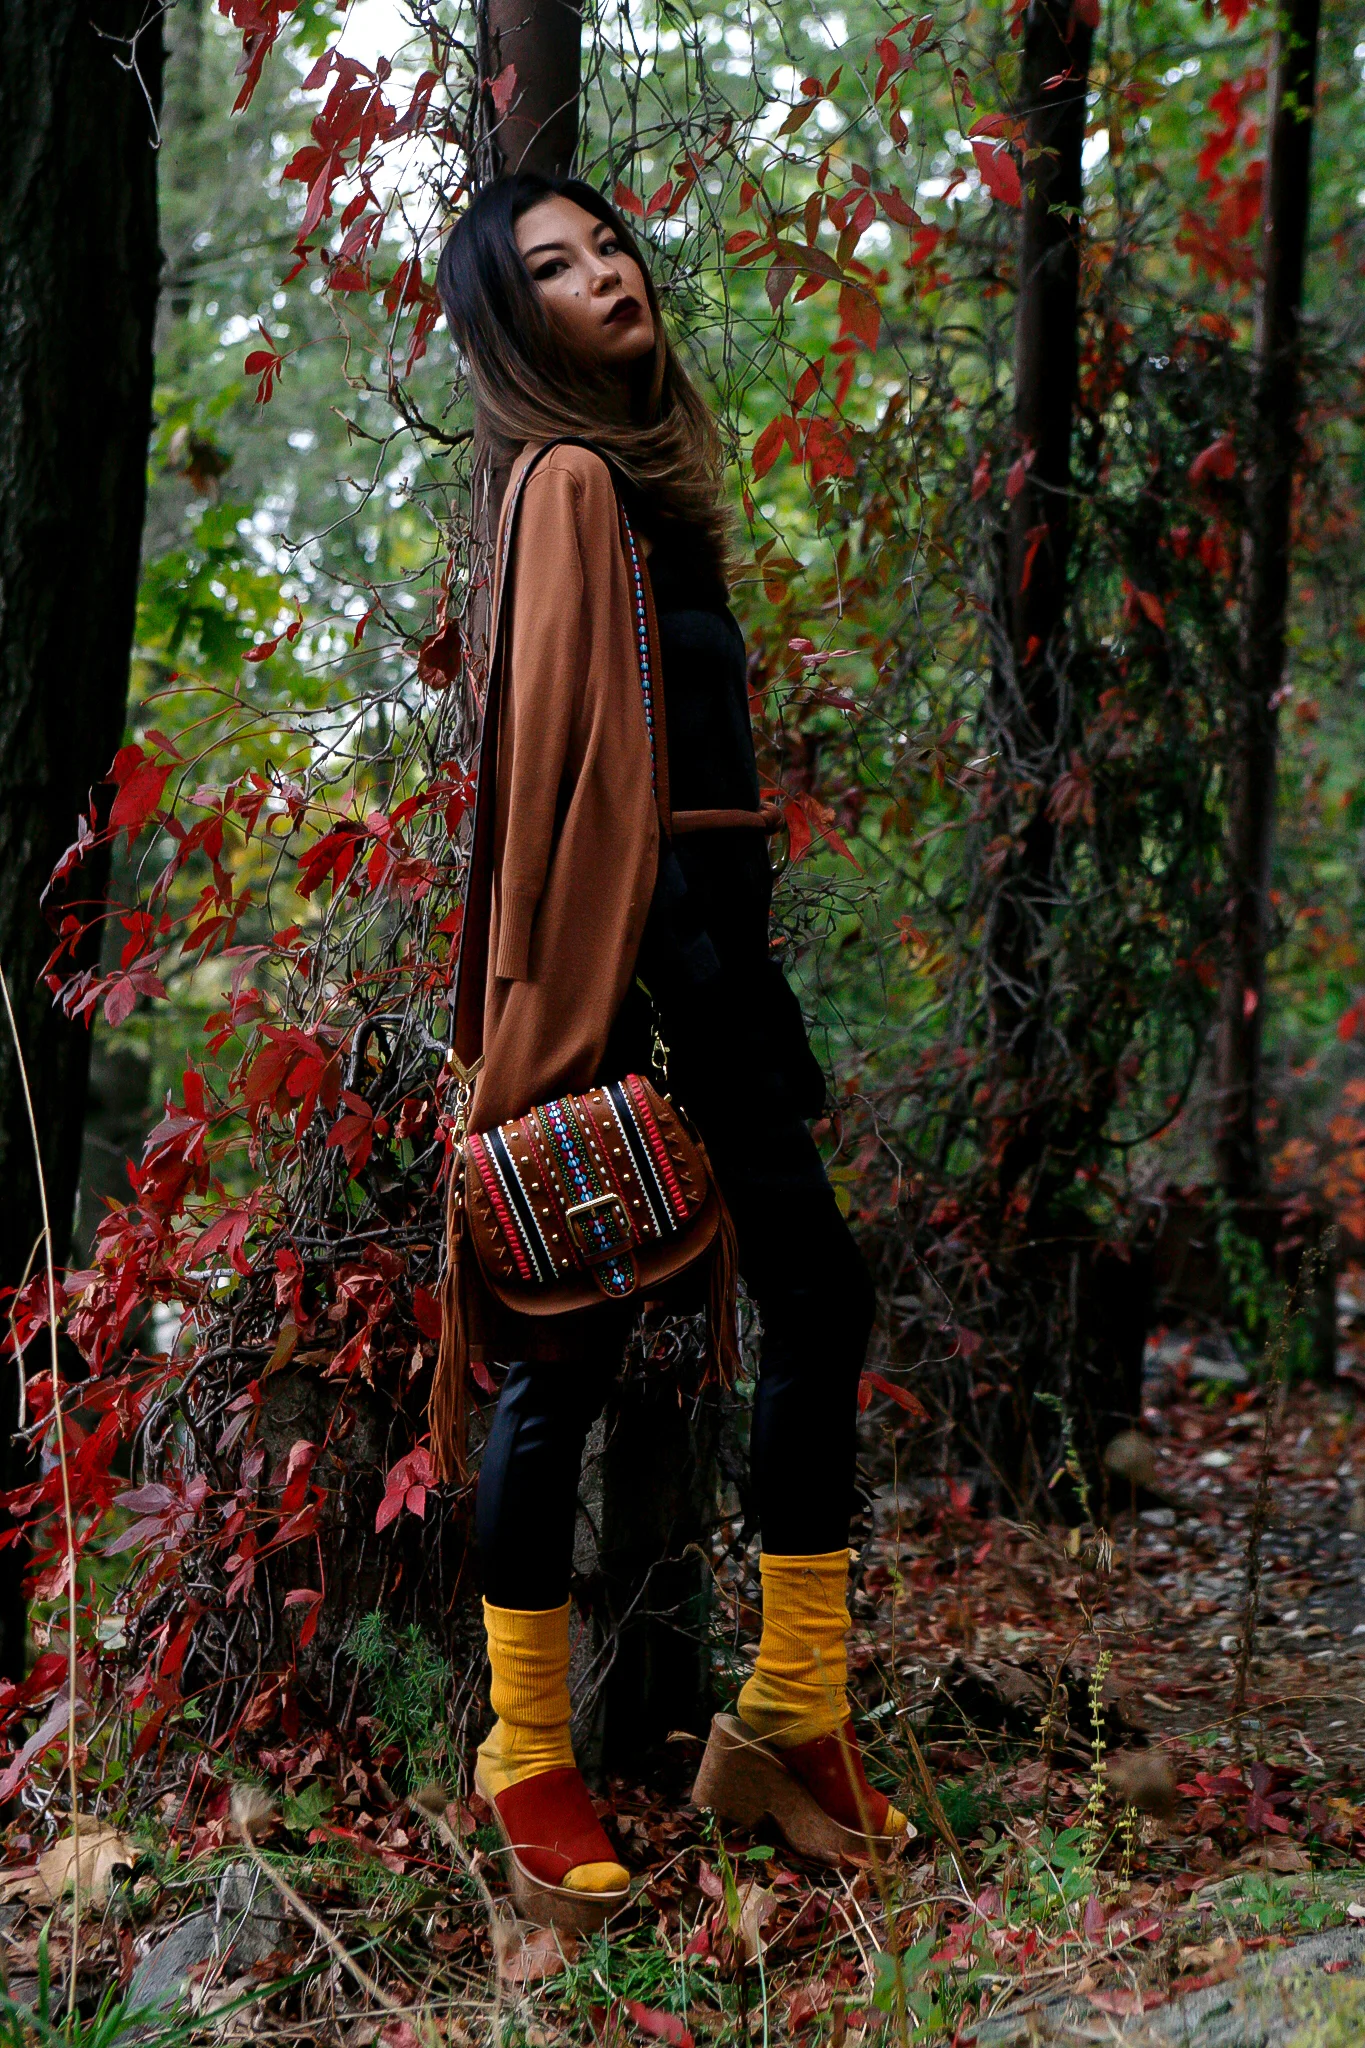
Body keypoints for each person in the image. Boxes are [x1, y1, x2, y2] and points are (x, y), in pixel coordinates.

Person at [434, 173, 906, 1932]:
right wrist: (659, 999)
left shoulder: (637, 497)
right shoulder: (561, 487)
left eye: (608, 246)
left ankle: (788, 1720)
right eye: (552, 269)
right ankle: (529, 1753)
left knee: (795, 1306)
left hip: (713, 970)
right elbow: (568, 785)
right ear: (512, 326)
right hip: (645, 986)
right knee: (563, 1353)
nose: (604, 273)